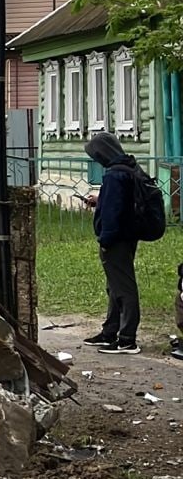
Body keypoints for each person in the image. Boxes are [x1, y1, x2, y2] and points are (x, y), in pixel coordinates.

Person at [82, 132, 142, 355]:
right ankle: (110, 331)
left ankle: (127, 339)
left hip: (116, 239)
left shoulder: (114, 176)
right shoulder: (128, 168)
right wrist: (100, 200)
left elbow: (113, 213)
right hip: (127, 236)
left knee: (124, 289)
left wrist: (105, 240)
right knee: (115, 286)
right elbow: (120, 202)